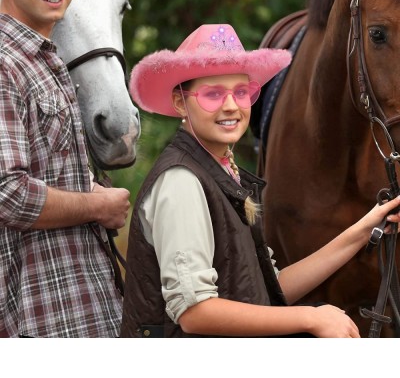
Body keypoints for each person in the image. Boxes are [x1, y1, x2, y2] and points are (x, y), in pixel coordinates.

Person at [120, 23, 400, 338]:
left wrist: (366, 228)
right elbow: (195, 313)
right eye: (212, 94)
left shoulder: (220, 172)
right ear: (181, 103)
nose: (231, 106)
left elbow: (265, 288)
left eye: (241, 92)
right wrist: (310, 317)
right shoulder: (181, 181)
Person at [0, 0, 130, 337]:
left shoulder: (46, 58)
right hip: (41, 319)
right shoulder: (5, 65)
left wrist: (84, 184)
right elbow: (8, 194)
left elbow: (42, 166)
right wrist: (96, 206)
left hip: (80, 303)